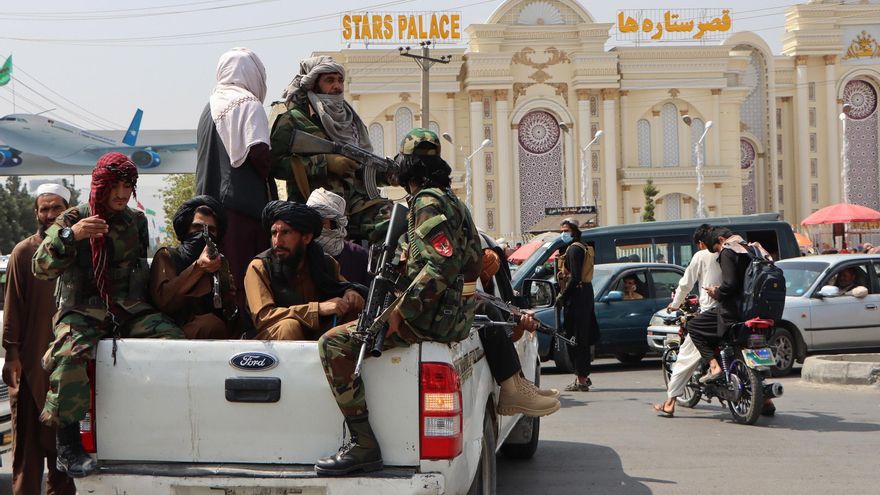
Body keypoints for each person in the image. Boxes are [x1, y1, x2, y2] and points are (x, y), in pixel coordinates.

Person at [315, 128, 485, 476]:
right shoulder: (453, 202)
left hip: (432, 317)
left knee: (332, 344)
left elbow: (440, 264)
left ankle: (363, 446)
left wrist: (398, 312)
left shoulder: (426, 202)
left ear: (406, 166)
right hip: (451, 314)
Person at [33, 153, 184, 477]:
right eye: (115, 186)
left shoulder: (137, 222)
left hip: (126, 308)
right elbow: (41, 267)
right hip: (81, 310)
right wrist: (72, 236)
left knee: (174, 341)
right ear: (101, 185)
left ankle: (162, 426)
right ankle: (68, 447)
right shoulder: (73, 219)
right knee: (70, 356)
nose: (121, 193)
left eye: (128, 186)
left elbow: (140, 273)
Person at [2, 184, 76, 495]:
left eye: (55, 208)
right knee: (27, 455)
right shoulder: (23, 252)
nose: (48, 215)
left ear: (67, 211)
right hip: (31, 365)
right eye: (43, 209)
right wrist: (12, 355)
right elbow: (13, 308)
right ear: (36, 213)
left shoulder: (79, 250)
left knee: (63, 458)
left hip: (68, 368)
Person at [270, 55, 392, 244]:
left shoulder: (352, 122)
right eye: (329, 80)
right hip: (315, 209)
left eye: (340, 80)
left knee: (394, 226)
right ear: (313, 84)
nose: (337, 86)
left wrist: (390, 174)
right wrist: (325, 163)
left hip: (357, 206)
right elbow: (276, 165)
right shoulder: (293, 120)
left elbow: (362, 171)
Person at [196, 47, 277, 318]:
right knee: (249, 277)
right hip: (243, 210)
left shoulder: (209, 108)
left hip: (207, 209)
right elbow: (259, 154)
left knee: (219, 278)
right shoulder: (249, 104)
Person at [244, 201, 366, 340]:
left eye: (285, 232)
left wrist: (350, 293)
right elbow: (263, 317)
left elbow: (341, 286)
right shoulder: (259, 267)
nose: (277, 241)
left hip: (315, 335)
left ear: (306, 237)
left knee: (356, 303)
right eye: (274, 233)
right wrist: (317, 309)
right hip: (266, 347)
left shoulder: (325, 263)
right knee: (289, 326)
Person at [653, 224, 720, 418]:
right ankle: (765, 399)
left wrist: (675, 304)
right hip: (739, 312)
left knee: (685, 356)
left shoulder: (702, 256)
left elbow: (685, 283)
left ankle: (669, 402)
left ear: (701, 243)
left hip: (711, 313)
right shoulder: (732, 253)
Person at [149, 195, 240, 339]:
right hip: (172, 331)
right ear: (186, 229)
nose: (204, 234)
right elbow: (165, 301)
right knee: (210, 325)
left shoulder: (218, 262)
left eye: (210, 230)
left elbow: (229, 314)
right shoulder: (168, 256)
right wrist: (198, 267)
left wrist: (228, 298)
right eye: (197, 227)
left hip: (213, 336)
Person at [556, 218, 599, 392]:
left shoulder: (574, 249)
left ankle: (581, 379)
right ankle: (583, 376)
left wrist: (562, 296)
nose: (563, 234)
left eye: (566, 230)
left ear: (573, 230)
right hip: (585, 295)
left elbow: (574, 278)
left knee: (576, 339)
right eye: (561, 231)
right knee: (582, 337)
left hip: (577, 297)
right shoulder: (582, 246)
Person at [306, 187, 370, 285]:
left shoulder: (359, 256)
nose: (315, 228)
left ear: (335, 225)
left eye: (321, 223)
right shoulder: (300, 254)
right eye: (310, 222)